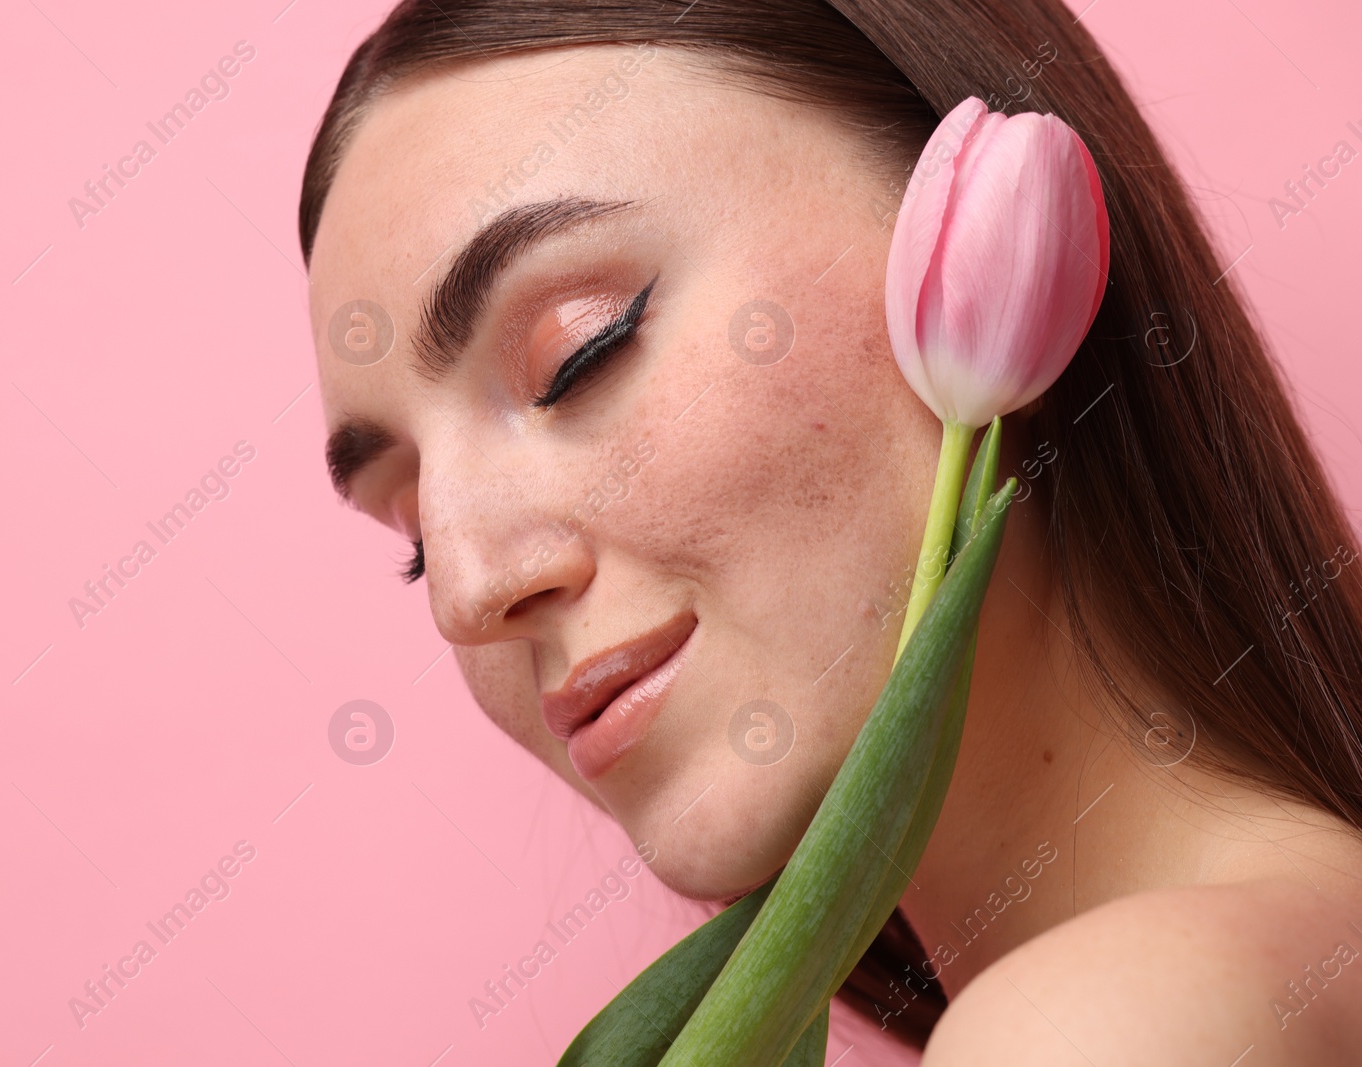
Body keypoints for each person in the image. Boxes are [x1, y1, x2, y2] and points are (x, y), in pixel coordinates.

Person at [300, 1, 1362, 1060]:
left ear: (978, 229)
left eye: (581, 351)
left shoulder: (1109, 1026)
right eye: (413, 534)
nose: (467, 593)